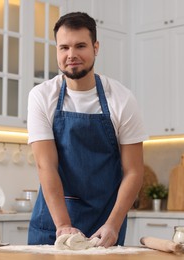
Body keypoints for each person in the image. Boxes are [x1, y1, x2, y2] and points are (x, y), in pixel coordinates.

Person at [27, 12, 148, 248]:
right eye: (64, 47)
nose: (71, 55)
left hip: (104, 225)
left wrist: (113, 224)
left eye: (80, 46)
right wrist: (62, 224)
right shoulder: (41, 96)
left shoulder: (122, 99)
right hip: (53, 223)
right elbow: (46, 165)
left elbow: (134, 171)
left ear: (95, 47)